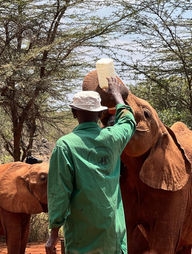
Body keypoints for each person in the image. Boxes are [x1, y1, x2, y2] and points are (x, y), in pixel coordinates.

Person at [45, 77, 136, 254]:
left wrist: (53, 233)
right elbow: (129, 121)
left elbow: (59, 193)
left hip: (82, 239)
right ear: (100, 114)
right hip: (113, 237)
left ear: (74, 113)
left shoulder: (65, 145)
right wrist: (117, 96)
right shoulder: (113, 138)